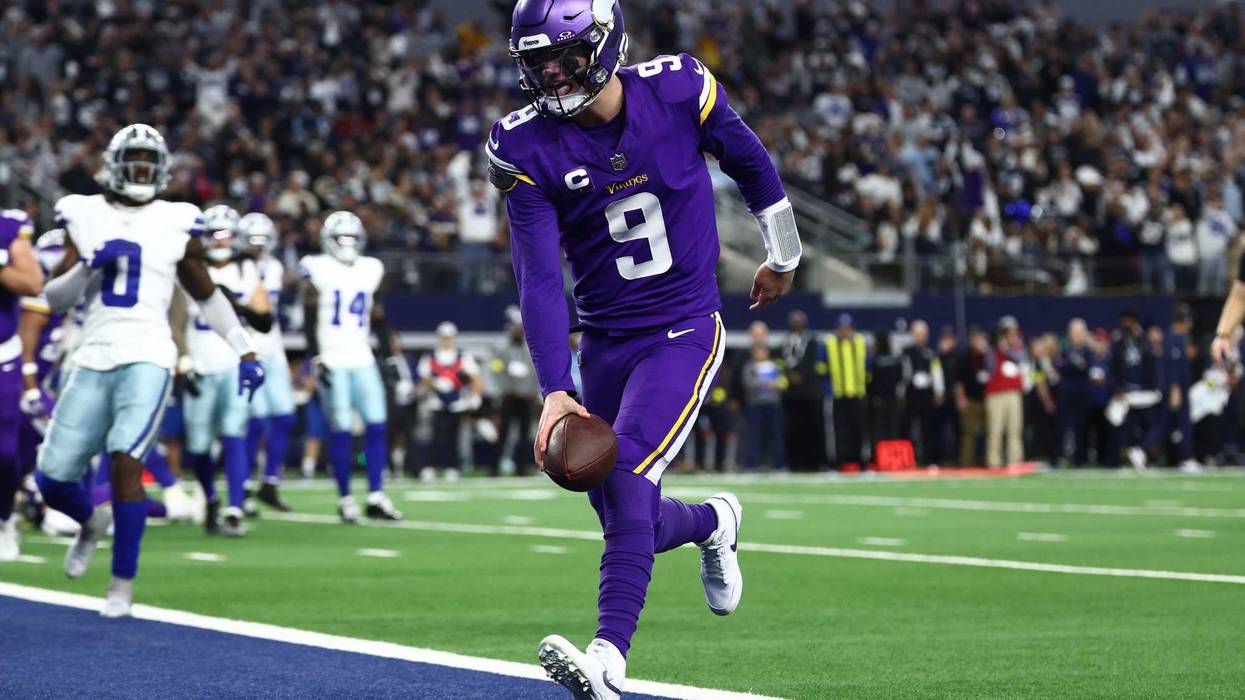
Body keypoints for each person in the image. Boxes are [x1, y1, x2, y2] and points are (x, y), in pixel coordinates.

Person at [490, 0, 800, 694]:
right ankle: (713, 522)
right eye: (536, 60)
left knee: (626, 479)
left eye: (565, 55)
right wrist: (555, 389)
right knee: (619, 505)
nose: (551, 72)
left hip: (683, 327)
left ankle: (606, 660)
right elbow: (538, 278)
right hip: (603, 340)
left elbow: (750, 161)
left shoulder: (678, 88)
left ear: (604, 43)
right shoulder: (524, 145)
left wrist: (783, 254)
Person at [34, 124, 264, 616]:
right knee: (52, 480)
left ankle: (121, 583)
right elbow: (53, 301)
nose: (140, 170)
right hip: (93, 353)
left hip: (149, 353)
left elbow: (205, 294)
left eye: (147, 162)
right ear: (115, 166)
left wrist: (244, 349)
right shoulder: (85, 212)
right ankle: (90, 522)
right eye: (132, 160)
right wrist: (87, 266)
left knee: (126, 464)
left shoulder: (177, 220)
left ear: (160, 170)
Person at [301, 211, 402, 523]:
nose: (346, 245)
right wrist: (315, 356)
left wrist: (389, 355)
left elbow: (378, 315)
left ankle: (375, 494)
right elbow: (308, 314)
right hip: (332, 358)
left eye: (351, 239)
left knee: (377, 424)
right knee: (341, 429)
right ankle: (345, 498)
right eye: (340, 239)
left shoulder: (370, 268)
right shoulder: (316, 267)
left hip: (362, 356)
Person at [179, 205, 273, 537]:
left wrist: (239, 305)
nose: (220, 241)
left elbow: (265, 321)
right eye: (213, 234)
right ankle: (211, 500)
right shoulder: (188, 266)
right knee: (200, 446)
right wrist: (182, 359)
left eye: (226, 234)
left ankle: (234, 507)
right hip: (200, 365)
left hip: (234, 364)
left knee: (235, 435)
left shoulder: (248, 269)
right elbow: (174, 319)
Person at [239, 212, 295, 511]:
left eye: (263, 241)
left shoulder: (274, 267)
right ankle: (245, 486)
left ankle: (270, 481)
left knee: (285, 418)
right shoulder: (236, 268)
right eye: (252, 241)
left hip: (273, 349)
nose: (258, 247)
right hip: (248, 349)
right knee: (255, 423)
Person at [0, 209, 43, 560]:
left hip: (2, 355)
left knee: (5, 453)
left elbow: (32, 283)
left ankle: (3, 517)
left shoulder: (8, 227)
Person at [417, 322, 484, 481]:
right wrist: (435, 383)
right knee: (435, 436)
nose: (446, 341)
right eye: (444, 338)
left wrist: (475, 396)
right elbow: (424, 378)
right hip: (436, 402)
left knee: (454, 437)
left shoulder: (462, 356)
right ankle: (430, 467)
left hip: (456, 402)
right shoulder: (430, 356)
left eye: (449, 338)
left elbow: (476, 377)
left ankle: (452, 467)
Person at [490, 309, 540, 476]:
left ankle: (521, 468)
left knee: (524, 435)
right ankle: (494, 468)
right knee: (503, 434)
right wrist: (506, 390)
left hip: (526, 398)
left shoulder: (530, 348)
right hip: (509, 397)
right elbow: (497, 370)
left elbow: (535, 372)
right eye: (516, 327)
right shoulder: (502, 348)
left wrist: (532, 392)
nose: (519, 330)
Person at [780, 310, 824, 470]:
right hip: (791, 394)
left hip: (809, 392)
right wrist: (789, 375)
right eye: (794, 321)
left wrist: (802, 375)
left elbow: (816, 363)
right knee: (792, 429)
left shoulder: (813, 341)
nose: (797, 324)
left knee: (811, 429)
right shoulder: (786, 341)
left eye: (799, 321)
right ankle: (793, 462)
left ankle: (813, 463)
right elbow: (781, 361)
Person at [824, 313, 867, 469]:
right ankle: (839, 461)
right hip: (838, 394)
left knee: (858, 430)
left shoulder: (860, 342)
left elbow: (867, 367)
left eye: (847, 328)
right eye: (842, 328)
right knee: (838, 431)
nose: (845, 331)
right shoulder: (830, 344)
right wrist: (828, 389)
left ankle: (859, 460)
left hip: (857, 393)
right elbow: (823, 368)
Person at [899, 320, 943, 465]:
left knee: (928, 428)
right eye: (917, 334)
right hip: (911, 394)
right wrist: (901, 392)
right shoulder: (906, 352)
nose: (920, 337)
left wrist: (939, 391)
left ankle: (929, 459)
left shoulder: (931, 353)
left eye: (922, 334)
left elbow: (936, 373)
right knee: (907, 427)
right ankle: (908, 459)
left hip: (927, 395)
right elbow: (903, 374)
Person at [984, 316, 1025, 467]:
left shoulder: (1018, 349)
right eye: (1008, 333)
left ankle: (1015, 459)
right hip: (996, 394)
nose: (1011, 336)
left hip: (1013, 393)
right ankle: (994, 461)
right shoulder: (992, 350)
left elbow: (1020, 358)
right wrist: (997, 346)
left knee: (1015, 429)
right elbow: (989, 366)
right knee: (995, 430)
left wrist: (1009, 347)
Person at [741, 343, 785, 472]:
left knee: (775, 435)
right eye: (758, 351)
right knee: (754, 435)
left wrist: (778, 385)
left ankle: (778, 464)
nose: (761, 354)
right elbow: (747, 383)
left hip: (773, 404)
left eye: (763, 351)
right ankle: (752, 464)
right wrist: (765, 383)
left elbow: (782, 382)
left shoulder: (775, 365)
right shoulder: (750, 366)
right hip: (755, 404)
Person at [1165, 305, 1197, 471]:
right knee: (1179, 423)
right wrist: (1175, 388)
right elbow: (1173, 367)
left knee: (1179, 423)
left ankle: (1185, 456)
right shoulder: (1172, 338)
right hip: (1176, 388)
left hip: (1182, 386)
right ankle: (1186, 457)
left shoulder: (1182, 337)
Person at [1057, 319, 1093, 467]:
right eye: (1074, 333)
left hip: (1082, 393)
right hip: (1067, 392)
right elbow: (1062, 366)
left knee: (1082, 426)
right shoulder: (1065, 349)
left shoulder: (1088, 351)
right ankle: (1062, 457)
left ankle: (1080, 459)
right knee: (1064, 426)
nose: (1076, 336)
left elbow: (1088, 367)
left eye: (1079, 333)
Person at [954, 326, 990, 466]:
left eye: (980, 337)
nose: (978, 341)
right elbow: (959, 382)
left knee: (990, 432)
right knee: (969, 433)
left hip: (987, 399)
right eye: (975, 338)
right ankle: (967, 462)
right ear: (970, 340)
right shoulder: (964, 357)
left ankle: (988, 460)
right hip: (970, 400)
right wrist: (961, 398)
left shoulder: (988, 356)